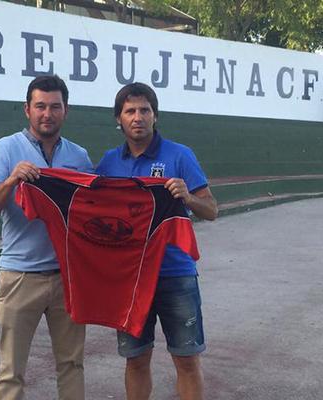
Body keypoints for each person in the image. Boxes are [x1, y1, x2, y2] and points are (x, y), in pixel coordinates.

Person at [96, 82, 218, 400]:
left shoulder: (179, 155)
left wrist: (187, 197)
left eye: (145, 110)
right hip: (130, 279)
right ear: (118, 120)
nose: (138, 117)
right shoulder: (108, 163)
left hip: (175, 274)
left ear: (155, 116)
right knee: (136, 360)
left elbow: (212, 209)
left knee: (187, 360)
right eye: (130, 111)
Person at [0, 75, 93, 400]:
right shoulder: (6, 148)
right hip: (19, 276)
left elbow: (90, 215)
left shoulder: (80, 157)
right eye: (40, 106)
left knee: (71, 364)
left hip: (66, 278)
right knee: (11, 372)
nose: (47, 113)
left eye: (55, 106)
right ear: (27, 109)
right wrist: (12, 180)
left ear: (65, 111)